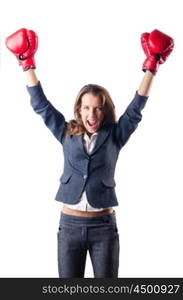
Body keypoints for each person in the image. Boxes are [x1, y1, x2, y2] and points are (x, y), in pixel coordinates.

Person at [5, 28, 174, 278]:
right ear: (79, 109)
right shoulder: (66, 133)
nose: (91, 114)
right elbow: (41, 105)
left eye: (97, 109)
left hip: (103, 228)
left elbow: (136, 108)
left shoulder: (116, 135)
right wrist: (26, 63)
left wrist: (152, 67)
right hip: (69, 226)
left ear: (105, 112)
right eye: (86, 108)